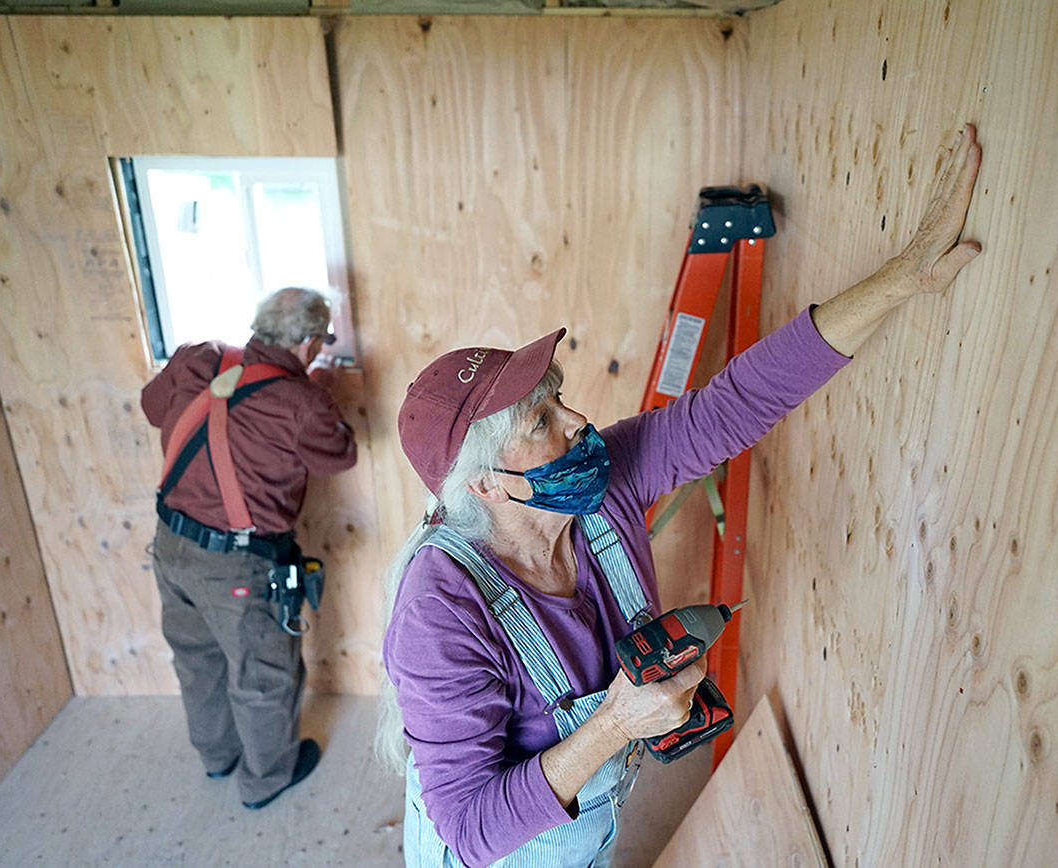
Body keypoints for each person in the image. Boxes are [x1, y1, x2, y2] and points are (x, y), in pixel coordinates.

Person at [380, 124, 984, 867]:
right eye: (543, 420)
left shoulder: (606, 482)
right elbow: (471, 832)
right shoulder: (438, 610)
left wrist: (901, 279)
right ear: (484, 484)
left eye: (559, 397)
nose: (579, 422)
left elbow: (737, 402)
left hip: (585, 832)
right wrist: (613, 725)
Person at [141, 286, 358, 809]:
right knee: (263, 672)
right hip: (237, 563)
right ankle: (265, 781)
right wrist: (317, 390)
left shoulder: (199, 359)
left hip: (170, 543)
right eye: (323, 339)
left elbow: (152, 407)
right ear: (309, 342)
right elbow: (340, 453)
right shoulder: (300, 402)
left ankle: (217, 757)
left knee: (196, 657)